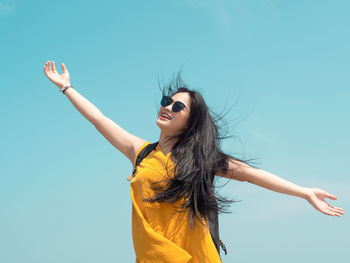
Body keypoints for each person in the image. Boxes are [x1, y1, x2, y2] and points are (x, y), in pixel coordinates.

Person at [43, 61, 344, 263]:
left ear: (189, 122)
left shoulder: (201, 160)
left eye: (177, 106)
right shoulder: (142, 152)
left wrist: (304, 192)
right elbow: (98, 119)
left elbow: (253, 175)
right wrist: (66, 87)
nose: (167, 107)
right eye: (165, 101)